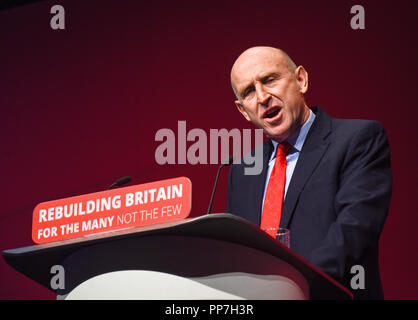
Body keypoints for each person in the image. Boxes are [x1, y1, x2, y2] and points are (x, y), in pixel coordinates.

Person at [226, 46, 392, 299]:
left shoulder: (358, 140)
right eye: (249, 92)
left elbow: (353, 232)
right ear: (242, 110)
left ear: (301, 80)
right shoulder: (242, 170)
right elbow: (237, 253)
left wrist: (290, 288)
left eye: (270, 80)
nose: (262, 97)